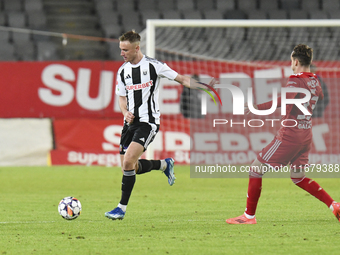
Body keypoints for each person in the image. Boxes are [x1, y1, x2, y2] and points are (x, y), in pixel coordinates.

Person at [105, 30, 215, 220]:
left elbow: (182, 79)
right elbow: (121, 97)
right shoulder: (122, 71)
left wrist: (206, 87)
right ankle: (164, 164)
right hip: (129, 123)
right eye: (121, 49)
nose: (122, 53)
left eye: (125, 50)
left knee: (129, 160)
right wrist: (125, 112)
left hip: (148, 122)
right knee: (129, 167)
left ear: (137, 48)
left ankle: (120, 208)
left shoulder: (155, 66)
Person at [226, 44, 340, 224]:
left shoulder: (296, 79)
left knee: (256, 169)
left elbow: (284, 99)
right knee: (298, 177)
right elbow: (319, 98)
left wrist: (258, 107)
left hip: (290, 135)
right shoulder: (315, 81)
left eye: (291, 61)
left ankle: (249, 216)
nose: (291, 64)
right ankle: (334, 205)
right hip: (306, 134)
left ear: (295, 61)